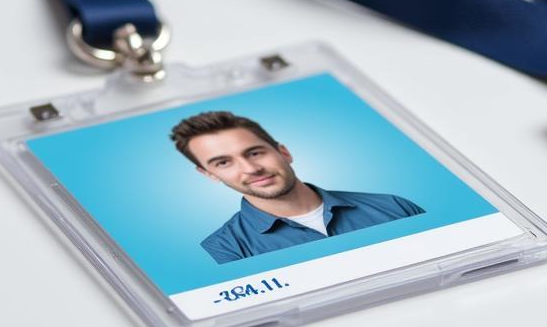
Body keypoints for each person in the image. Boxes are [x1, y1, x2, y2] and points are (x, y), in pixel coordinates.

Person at [169, 110, 424, 264]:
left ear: (284, 152)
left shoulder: (393, 206)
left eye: (255, 153)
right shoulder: (222, 250)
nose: (250, 169)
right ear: (209, 174)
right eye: (224, 162)